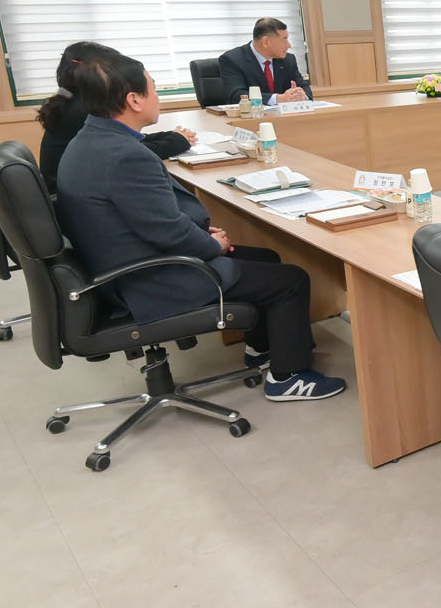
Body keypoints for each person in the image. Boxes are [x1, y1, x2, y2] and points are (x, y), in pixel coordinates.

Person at [56, 51, 345, 401]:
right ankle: (288, 377)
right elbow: (167, 231)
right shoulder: (125, 155)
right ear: (134, 100)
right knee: (291, 280)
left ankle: (263, 350)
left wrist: (202, 236)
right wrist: (211, 245)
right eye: (154, 89)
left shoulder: (89, 140)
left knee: (266, 258)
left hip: (123, 263)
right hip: (148, 280)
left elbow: (148, 219)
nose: (158, 96)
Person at [37, 41, 194, 193]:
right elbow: (129, 153)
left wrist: (170, 136)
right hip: (80, 192)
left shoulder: (73, 102)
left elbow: (126, 140)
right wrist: (176, 142)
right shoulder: (86, 110)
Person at [218, 18, 313, 105]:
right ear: (266, 42)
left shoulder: (288, 60)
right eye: (284, 40)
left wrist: (301, 95)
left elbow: (304, 88)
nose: (289, 45)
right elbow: (237, 95)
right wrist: (277, 99)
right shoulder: (232, 60)